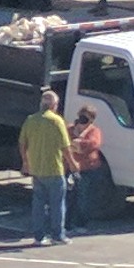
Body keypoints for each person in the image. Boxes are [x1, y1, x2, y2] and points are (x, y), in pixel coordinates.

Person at [18, 89, 78, 246]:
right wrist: (73, 165)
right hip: (54, 168)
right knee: (57, 204)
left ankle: (39, 236)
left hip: (37, 169)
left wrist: (26, 162)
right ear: (54, 105)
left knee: (38, 204)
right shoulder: (57, 121)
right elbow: (66, 147)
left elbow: (22, 143)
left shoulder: (30, 120)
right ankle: (58, 235)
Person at [65, 104, 103, 235]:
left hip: (87, 169)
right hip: (70, 168)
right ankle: (67, 224)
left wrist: (78, 144)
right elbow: (65, 143)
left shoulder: (94, 131)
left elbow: (93, 144)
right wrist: (76, 142)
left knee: (83, 197)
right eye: (82, 117)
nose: (83, 121)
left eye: (87, 119)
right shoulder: (70, 128)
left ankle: (81, 223)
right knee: (69, 196)